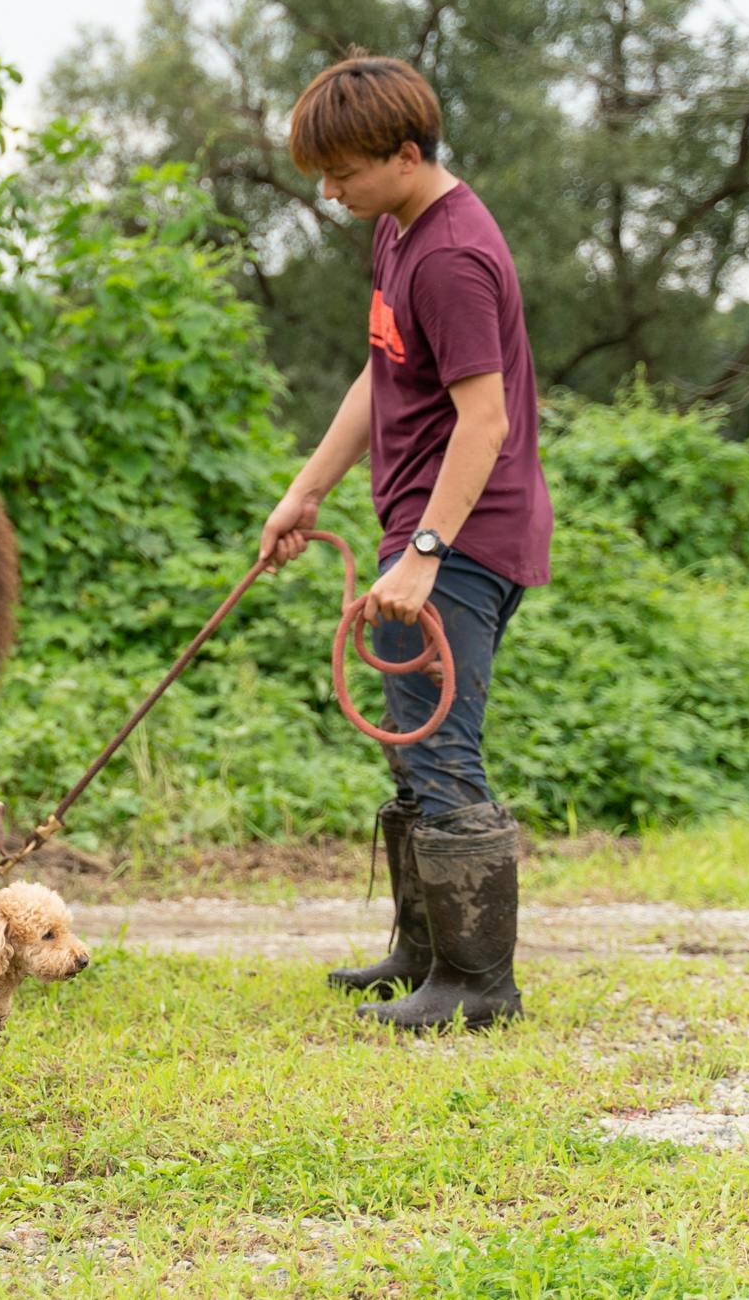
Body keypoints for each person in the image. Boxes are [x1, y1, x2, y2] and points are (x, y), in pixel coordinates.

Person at [258, 52, 553, 1033]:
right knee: (408, 751)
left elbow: (486, 424)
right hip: (422, 535)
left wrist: (424, 554)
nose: (328, 191)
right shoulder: (398, 231)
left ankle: (479, 987)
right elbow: (378, 377)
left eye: (343, 172)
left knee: (441, 751)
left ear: (405, 152)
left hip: (463, 540)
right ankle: (426, 955)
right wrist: (304, 493)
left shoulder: (453, 256)